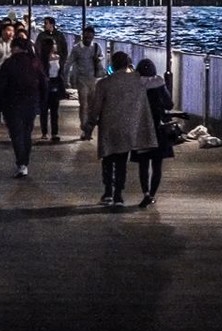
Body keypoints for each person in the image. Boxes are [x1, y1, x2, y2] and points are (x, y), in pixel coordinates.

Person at [82, 51, 158, 207]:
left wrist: (89, 126)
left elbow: (95, 108)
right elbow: (157, 82)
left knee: (108, 159)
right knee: (122, 161)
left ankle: (108, 192)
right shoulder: (137, 82)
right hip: (128, 126)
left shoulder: (104, 83)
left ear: (113, 65)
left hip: (109, 126)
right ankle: (118, 195)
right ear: (127, 63)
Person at [0, 35, 46, 178]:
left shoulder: (8, 64)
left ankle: (21, 163)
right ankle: (25, 162)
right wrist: (42, 101)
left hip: (13, 103)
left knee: (16, 134)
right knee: (27, 133)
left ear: (15, 48)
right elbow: (43, 82)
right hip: (31, 102)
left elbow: (1, 87)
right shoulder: (35, 62)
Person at [133, 57, 178, 208]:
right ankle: (152, 194)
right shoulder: (158, 83)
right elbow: (169, 104)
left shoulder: (135, 85)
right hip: (158, 128)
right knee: (157, 164)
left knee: (143, 163)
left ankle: (145, 192)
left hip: (140, 127)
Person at [67, 25, 105, 140]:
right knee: (84, 105)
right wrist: (66, 77)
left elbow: (102, 56)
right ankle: (84, 128)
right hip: (82, 80)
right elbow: (69, 62)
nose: (88, 39)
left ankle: (88, 128)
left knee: (92, 106)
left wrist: (99, 59)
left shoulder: (97, 46)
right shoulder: (76, 48)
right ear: (82, 36)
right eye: (86, 36)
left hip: (94, 79)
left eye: (90, 37)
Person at [36, 30, 66, 141]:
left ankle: (54, 133)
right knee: (44, 110)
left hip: (55, 83)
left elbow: (60, 71)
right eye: (53, 44)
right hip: (45, 85)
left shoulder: (58, 57)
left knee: (54, 110)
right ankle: (44, 132)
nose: (55, 46)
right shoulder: (41, 60)